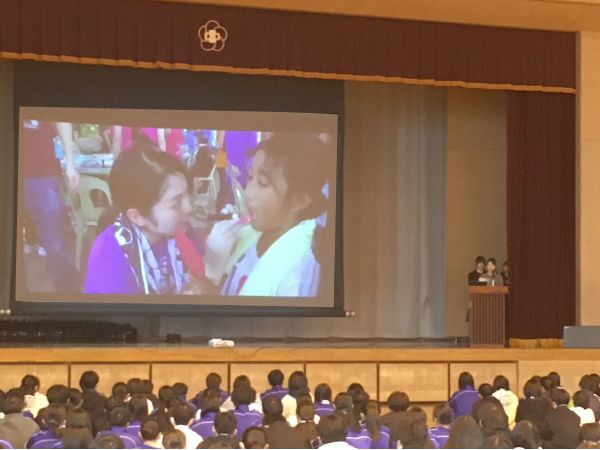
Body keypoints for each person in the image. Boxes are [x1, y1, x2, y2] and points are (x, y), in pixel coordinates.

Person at [218, 133, 332, 297]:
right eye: (250, 177)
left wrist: (205, 282)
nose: (248, 192)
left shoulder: (295, 278)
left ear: (298, 201)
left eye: (263, 183)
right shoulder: (249, 235)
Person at [85, 143, 201, 295]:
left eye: (187, 195)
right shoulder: (109, 261)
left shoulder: (181, 229)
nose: (189, 207)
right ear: (136, 216)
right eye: (175, 203)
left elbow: (199, 278)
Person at [21, 120, 80, 292]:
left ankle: (68, 296)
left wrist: (70, 166)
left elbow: (63, 121)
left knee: (54, 243)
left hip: (43, 176)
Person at [79, 370, 108, 435]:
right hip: (99, 434)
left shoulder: (77, 400)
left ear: (81, 385)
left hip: (80, 434)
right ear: (96, 384)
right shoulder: (103, 399)